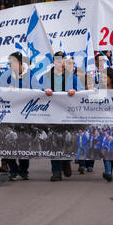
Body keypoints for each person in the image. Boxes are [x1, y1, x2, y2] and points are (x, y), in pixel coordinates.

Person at [0, 52, 32, 180]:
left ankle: (24, 170)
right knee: (8, 143)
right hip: (9, 116)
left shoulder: (30, 77)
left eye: (11, 63)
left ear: (19, 63)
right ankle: (13, 170)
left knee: (24, 144)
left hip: (25, 117)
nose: (10, 65)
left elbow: (38, 91)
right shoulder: (7, 76)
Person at [44, 51, 77, 181]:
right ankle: (56, 171)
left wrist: (75, 91)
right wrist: (44, 91)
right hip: (52, 114)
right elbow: (38, 91)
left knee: (67, 140)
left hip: (68, 115)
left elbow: (80, 91)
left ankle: (66, 161)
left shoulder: (72, 77)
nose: (60, 63)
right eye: (57, 61)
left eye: (62, 61)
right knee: (54, 141)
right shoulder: (48, 76)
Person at [97, 67, 113, 182]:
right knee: (105, 147)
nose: (102, 79)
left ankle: (109, 171)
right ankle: (107, 171)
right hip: (102, 124)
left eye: (105, 77)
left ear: (111, 78)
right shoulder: (97, 91)